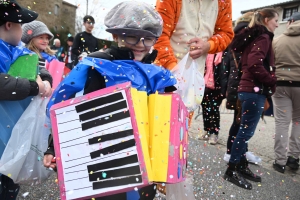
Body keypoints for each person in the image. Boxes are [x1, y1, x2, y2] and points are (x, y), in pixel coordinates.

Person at [43, 2, 175, 199]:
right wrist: (54, 147)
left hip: (146, 162)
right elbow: (69, 109)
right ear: (116, 35)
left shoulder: (156, 74)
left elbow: (166, 119)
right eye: (132, 36)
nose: (140, 44)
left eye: (147, 39)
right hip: (104, 156)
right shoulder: (99, 66)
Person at [154, 0, 234, 139]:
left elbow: (226, 33)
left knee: (180, 133)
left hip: (193, 78)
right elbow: (158, 34)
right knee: (157, 131)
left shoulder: (223, 2)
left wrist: (209, 45)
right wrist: (175, 71)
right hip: (163, 74)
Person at [0, 1, 52, 199]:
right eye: (21, 26)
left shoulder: (19, 50)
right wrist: (34, 87)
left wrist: (45, 80)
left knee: (10, 183)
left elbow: (40, 68)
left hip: (12, 135)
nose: (22, 32)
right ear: (9, 25)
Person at [223, 8, 278, 190]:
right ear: (266, 19)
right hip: (253, 91)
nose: (277, 24)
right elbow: (255, 63)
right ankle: (231, 170)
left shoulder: (254, 36)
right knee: (244, 133)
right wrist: (271, 80)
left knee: (242, 130)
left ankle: (240, 165)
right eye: (275, 20)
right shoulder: (263, 37)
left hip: (247, 89)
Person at [223, 12, 262, 164]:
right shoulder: (246, 38)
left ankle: (238, 151)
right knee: (240, 122)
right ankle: (232, 153)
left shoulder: (237, 37)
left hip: (236, 85)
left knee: (240, 121)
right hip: (243, 85)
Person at [272, 12, 300, 173]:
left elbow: (271, 62)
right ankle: (294, 158)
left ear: (290, 21)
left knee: (282, 122)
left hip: (281, 84)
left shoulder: (277, 40)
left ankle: (279, 161)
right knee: (298, 122)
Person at [199, 52, 228, 144]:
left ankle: (214, 133)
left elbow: (226, 71)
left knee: (213, 109)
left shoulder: (225, 52)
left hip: (218, 86)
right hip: (205, 84)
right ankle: (207, 130)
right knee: (205, 107)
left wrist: (224, 89)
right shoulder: (207, 52)